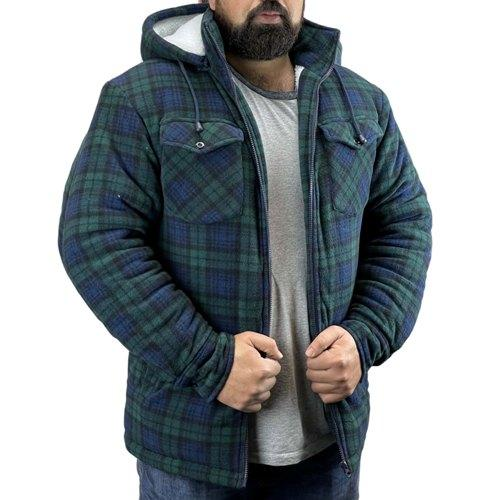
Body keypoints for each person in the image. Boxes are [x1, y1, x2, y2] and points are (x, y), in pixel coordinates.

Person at [57, 1, 433, 498]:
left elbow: (404, 225)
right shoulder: (142, 98)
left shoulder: (361, 103)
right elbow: (96, 237)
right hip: (191, 448)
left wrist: (364, 338)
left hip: (329, 443)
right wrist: (209, 362)